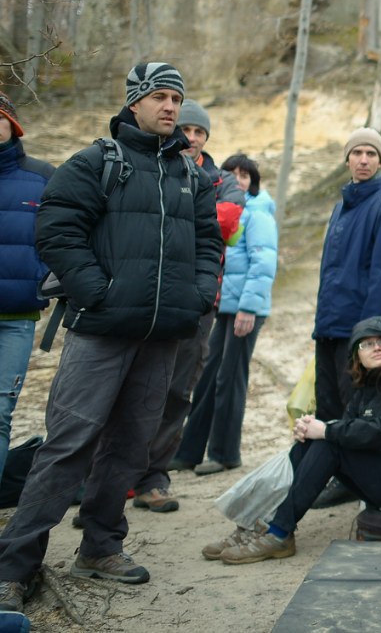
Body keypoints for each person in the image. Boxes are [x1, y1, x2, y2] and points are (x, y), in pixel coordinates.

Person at [0, 62, 221, 614]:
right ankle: (15, 565)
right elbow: (55, 228)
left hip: (163, 333)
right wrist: (95, 291)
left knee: (129, 447)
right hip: (100, 330)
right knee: (68, 445)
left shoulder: (191, 176)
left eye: (177, 98)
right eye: (161, 97)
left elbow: (209, 245)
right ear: (135, 102)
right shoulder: (97, 162)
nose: (171, 107)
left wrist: (195, 295)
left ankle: (100, 546)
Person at [208, 316, 381, 564]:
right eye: (366, 344)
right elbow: (347, 428)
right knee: (314, 441)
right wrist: (309, 429)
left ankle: (279, 533)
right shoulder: (365, 390)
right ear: (356, 356)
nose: (375, 347)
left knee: (329, 441)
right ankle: (257, 522)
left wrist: (325, 431)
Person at [131, 98, 245, 510]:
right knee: (131, 387)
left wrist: (170, 218)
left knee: (178, 390)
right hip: (145, 296)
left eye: (201, 133)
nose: (193, 138)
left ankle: (153, 478)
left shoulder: (224, 182)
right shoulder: (151, 166)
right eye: (189, 131)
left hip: (199, 302)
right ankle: (112, 476)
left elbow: (225, 223)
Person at [176, 154, 278, 475]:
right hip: (225, 306)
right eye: (232, 173)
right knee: (208, 377)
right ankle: (188, 451)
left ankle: (224, 452)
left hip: (245, 310)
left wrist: (248, 308)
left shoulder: (259, 213)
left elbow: (263, 265)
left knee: (230, 379)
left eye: (245, 175)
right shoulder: (228, 209)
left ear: (253, 180)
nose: (239, 179)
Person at [312, 128, 381, 422]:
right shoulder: (339, 208)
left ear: (379, 161)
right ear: (347, 160)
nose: (364, 160)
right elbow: (329, 271)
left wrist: (370, 331)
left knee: (357, 411)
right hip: (328, 326)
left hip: (357, 330)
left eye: (371, 154)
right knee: (327, 407)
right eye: (357, 153)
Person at [0, 92, 53, 479]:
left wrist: (44, 276)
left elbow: (61, 235)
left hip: (16, 316)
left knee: (1, 410)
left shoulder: (42, 177)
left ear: (13, 126)